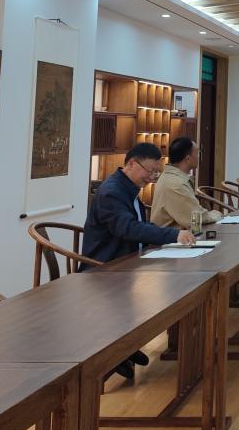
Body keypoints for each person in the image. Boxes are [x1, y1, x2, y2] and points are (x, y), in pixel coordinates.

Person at [82, 142, 196, 380]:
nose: (152, 178)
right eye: (150, 171)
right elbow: (129, 228)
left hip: (127, 260)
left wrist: (166, 235)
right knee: (160, 288)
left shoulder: (128, 187)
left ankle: (125, 346)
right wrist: (173, 235)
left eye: (156, 173)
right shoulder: (112, 191)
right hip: (106, 268)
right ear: (132, 163)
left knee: (173, 278)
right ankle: (116, 352)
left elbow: (139, 226)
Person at [151, 137, 222, 228]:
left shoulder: (172, 177)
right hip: (173, 236)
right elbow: (194, 217)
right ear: (188, 159)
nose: (198, 157)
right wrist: (215, 215)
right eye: (197, 154)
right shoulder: (175, 184)